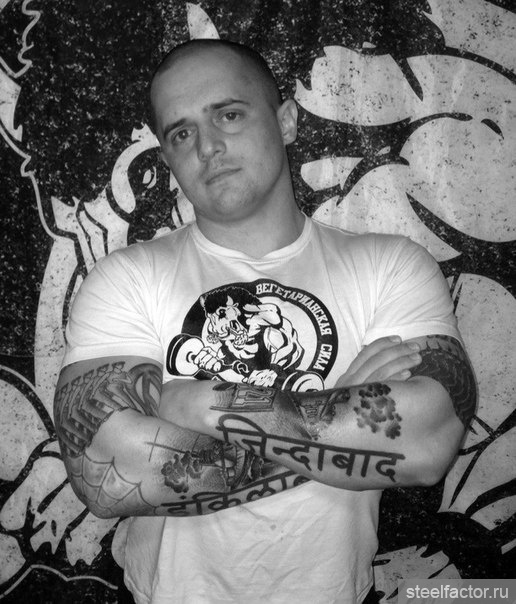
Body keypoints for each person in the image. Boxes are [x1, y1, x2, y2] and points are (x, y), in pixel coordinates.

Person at [53, 39, 477, 604]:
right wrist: (334, 409)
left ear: (287, 121)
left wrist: (204, 405)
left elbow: (429, 441)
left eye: (229, 115)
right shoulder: (126, 278)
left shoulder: (389, 265)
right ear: (168, 157)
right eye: (181, 133)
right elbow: (105, 472)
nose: (207, 145)